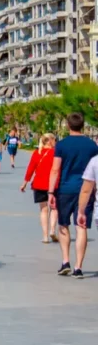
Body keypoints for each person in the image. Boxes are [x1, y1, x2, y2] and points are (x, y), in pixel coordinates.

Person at [49, 112, 98, 278]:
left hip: (65, 189)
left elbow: (56, 169)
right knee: (81, 225)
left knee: (63, 224)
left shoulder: (61, 145)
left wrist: (50, 191)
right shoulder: (92, 145)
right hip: (86, 189)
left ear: (68, 125)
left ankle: (65, 261)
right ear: (82, 125)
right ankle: (78, 267)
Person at [22, 134, 59, 245]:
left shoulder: (37, 153)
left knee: (43, 210)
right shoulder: (56, 153)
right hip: (54, 185)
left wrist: (24, 183)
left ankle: (45, 236)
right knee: (54, 208)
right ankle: (52, 230)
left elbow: (30, 169)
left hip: (39, 184)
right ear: (51, 141)